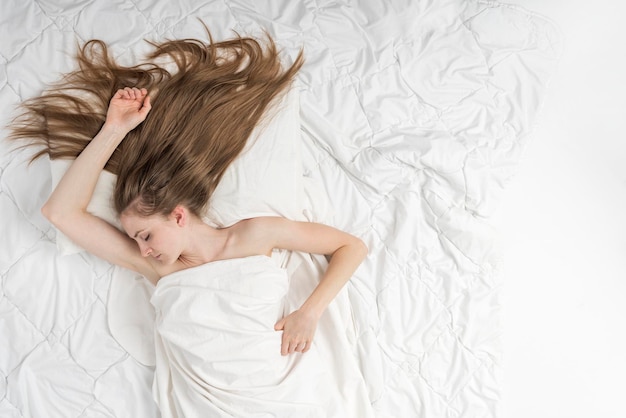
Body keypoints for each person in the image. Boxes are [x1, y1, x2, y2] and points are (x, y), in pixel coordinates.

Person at [10, 33, 367, 358]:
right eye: (138, 240)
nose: (143, 248)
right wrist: (115, 128)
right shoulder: (157, 267)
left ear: (178, 216)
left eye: (145, 234)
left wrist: (309, 312)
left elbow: (351, 247)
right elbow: (60, 213)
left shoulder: (255, 234)